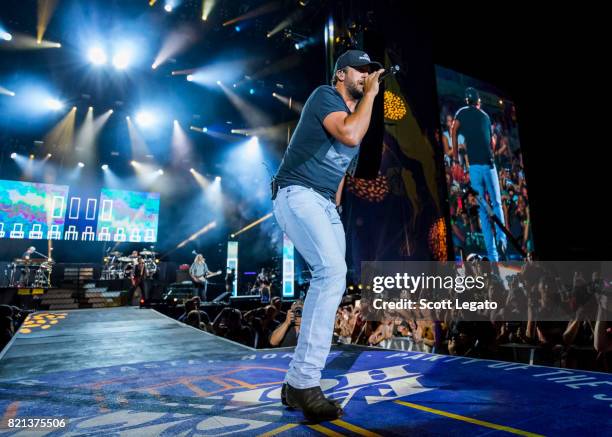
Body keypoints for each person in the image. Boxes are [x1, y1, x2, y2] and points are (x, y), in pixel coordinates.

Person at [272, 49, 384, 421]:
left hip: (323, 202)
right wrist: (370, 94)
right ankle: (305, 382)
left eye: (371, 72)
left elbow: (340, 173)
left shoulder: (357, 114)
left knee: (335, 279)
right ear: (341, 74)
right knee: (331, 272)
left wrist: (334, 210)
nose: (367, 76)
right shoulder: (325, 96)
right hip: (296, 191)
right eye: (361, 71)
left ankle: (293, 383)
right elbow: (350, 136)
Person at [451, 87, 507, 261]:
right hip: (489, 167)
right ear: (478, 101)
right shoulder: (485, 116)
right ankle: (502, 240)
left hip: (475, 168)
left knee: (483, 210)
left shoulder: (461, 112)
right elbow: (491, 142)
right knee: (497, 204)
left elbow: (454, 129)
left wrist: (455, 158)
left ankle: (493, 255)